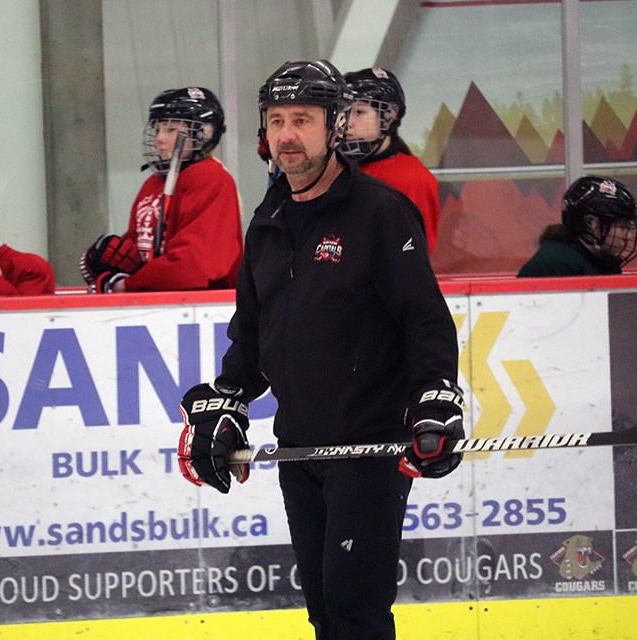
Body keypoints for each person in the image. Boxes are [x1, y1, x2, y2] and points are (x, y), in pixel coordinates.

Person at [176, 60, 463, 640]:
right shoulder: (269, 219)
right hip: (298, 449)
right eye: (276, 120)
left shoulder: (380, 211)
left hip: (369, 447)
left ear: (333, 125)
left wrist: (435, 395)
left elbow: (425, 319)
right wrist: (229, 399)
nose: (286, 134)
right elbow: (254, 334)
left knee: (354, 609)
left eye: (302, 119)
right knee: (326, 614)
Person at [78, 87, 242, 293]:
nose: (159, 139)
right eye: (158, 129)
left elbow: (193, 266)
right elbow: (144, 250)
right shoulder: (154, 183)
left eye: (171, 130)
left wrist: (126, 285)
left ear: (203, 133)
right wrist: (112, 261)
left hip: (197, 310)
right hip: (158, 302)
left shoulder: (210, 177)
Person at [340, 67, 441, 254]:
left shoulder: (411, 177)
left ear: (388, 116)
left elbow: (414, 254)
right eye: (344, 112)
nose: (348, 122)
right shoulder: (334, 169)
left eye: (359, 112)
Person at [517, 175, 637, 277]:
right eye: (623, 228)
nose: (629, 236)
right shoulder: (558, 264)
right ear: (592, 223)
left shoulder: (593, 259)